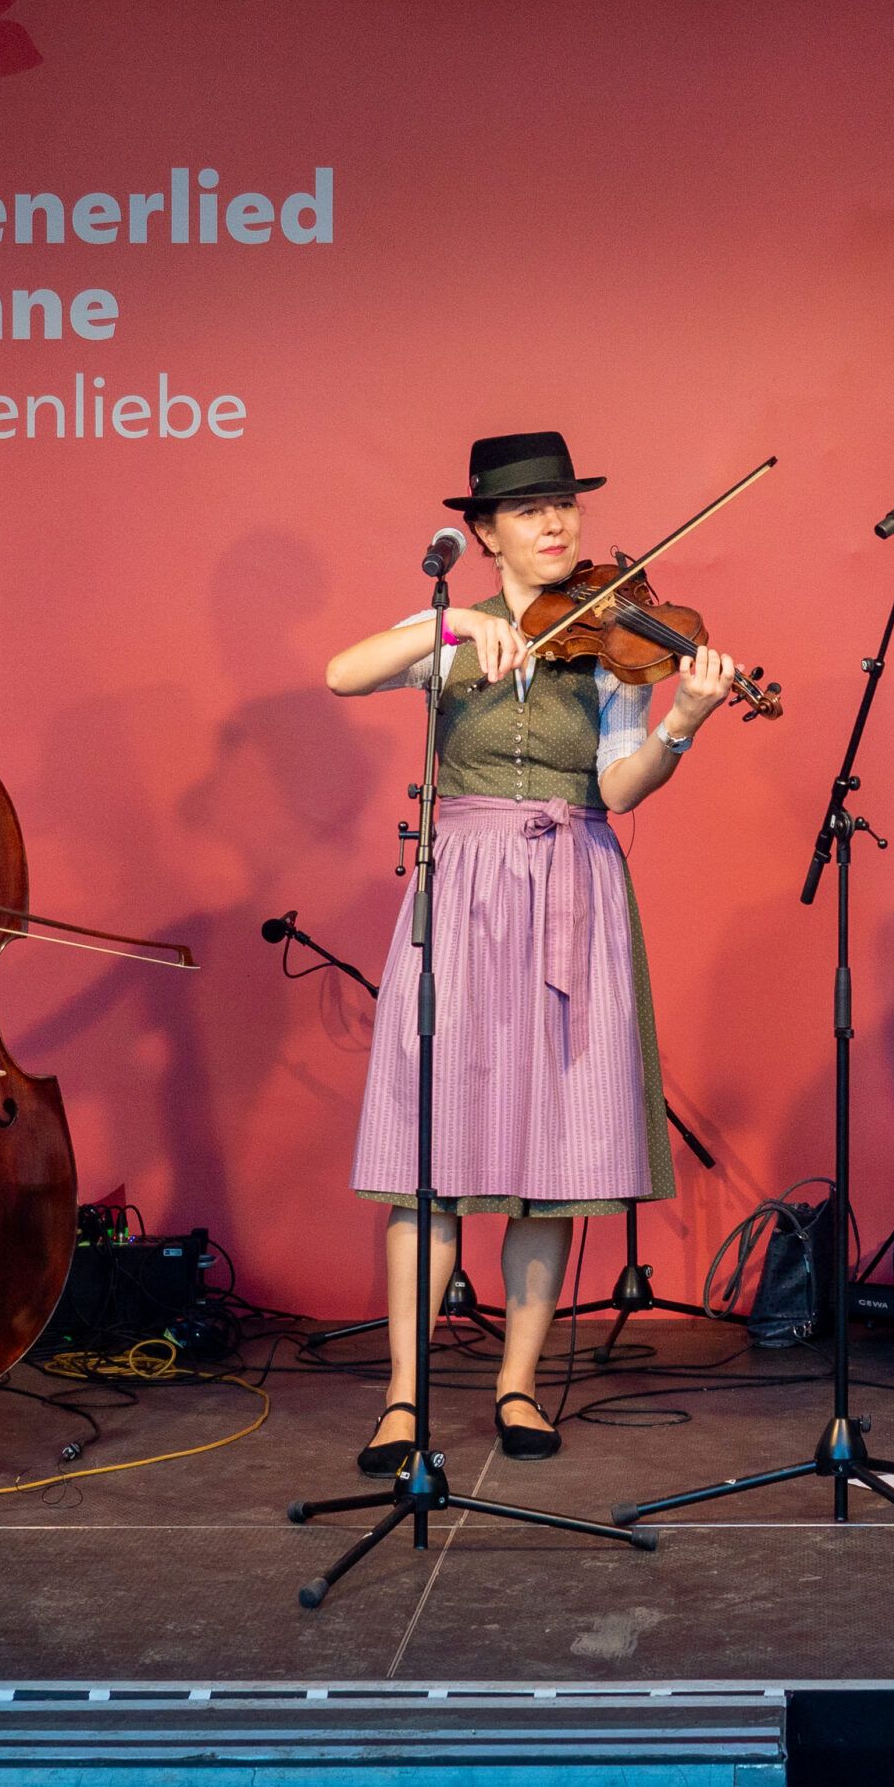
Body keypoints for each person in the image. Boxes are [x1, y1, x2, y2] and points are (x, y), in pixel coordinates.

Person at [327, 431, 737, 1469]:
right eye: (529, 512)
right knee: (432, 1160)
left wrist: (680, 724)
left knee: (553, 1154)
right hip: (459, 888)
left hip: (571, 884)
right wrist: (455, 620)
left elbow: (616, 788)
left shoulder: (614, 639)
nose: (557, 525)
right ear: (483, 533)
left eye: (566, 507)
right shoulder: (450, 632)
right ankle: (405, 1398)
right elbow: (340, 674)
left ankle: (518, 1388)